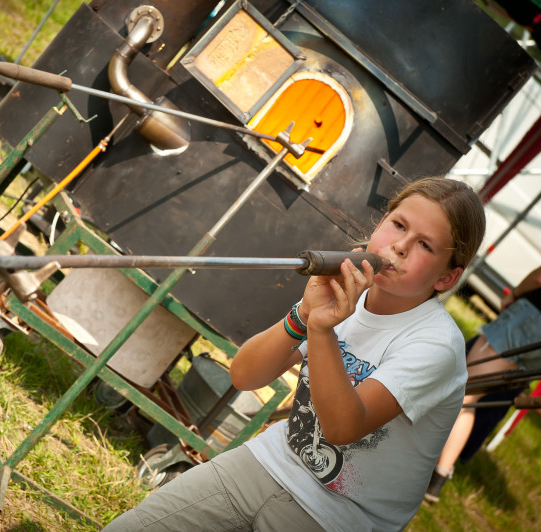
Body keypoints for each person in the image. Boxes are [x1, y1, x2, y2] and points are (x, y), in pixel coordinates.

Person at [103, 176, 486, 532]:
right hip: (269, 462)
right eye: (399, 225)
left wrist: (322, 328)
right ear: (380, 223)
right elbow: (245, 375)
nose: (400, 246)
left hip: (339, 517)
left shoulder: (436, 345)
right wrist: (303, 315)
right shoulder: (344, 290)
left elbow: (342, 428)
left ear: (447, 277)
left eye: (425, 245)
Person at [424, 263, 541, 503]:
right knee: (469, 396)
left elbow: (539, 278)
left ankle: (436, 473)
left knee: (466, 395)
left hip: (530, 317)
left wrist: (516, 294)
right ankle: (435, 469)